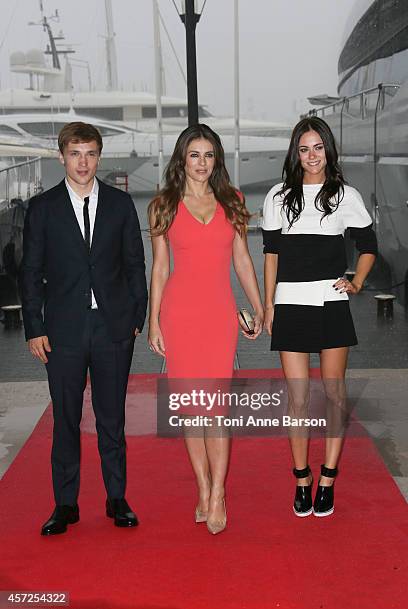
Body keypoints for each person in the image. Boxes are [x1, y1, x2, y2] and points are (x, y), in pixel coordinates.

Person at [20, 122, 148, 535]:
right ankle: (65, 504)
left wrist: (134, 318)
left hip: (113, 328)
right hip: (61, 332)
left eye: (91, 153)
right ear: (62, 156)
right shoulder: (42, 209)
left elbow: (134, 265)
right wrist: (34, 327)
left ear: (99, 156)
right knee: (66, 420)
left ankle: (116, 498)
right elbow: (30, 273)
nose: (83, 162)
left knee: (112, 420)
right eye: (75, 153)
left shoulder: (120, 204)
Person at [148, 124, 264, 535]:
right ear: (182, 158)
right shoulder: (163, 204)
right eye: (194, 154)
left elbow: (243, 261)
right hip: (180, 316)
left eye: (209, 155)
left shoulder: (233, 201)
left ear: (217, 160)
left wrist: (260, 305)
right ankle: (202, 486)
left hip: (219, 316)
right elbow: (160, 269)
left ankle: (219, 493)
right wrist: (153, 321)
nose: (201, 163)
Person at [262, 116, 377, 517]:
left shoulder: (347, 195)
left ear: (328, 149)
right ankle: (302, 479)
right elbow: (271, 256)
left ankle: (328, 478)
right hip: (290, 304)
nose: (312, 156)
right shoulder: (277, 196)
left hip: (331, 304)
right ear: (296, 153)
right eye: (304, 148)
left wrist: (357, 282)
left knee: (334, 395)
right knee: (296, 399)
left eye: (318, 147)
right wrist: (268, 305)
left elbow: (368, 245)